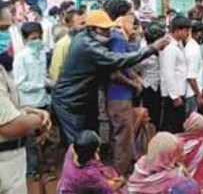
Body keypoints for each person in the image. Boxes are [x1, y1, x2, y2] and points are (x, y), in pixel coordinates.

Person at [51, 10, 169, 145]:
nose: (109, 33)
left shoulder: (86, 37)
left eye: (109, 29)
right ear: (92, 29)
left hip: (83, 99)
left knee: (91, 139)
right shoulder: (87, 45)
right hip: (70, 100)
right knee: (78, 144)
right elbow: (117, 60)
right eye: (104, 30)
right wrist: (152, 48)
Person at [0, 1, 51, 194]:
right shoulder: (20, 58)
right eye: (3, 28)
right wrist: (39, 119)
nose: (5, 35)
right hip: (5, 160)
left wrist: (29, 112)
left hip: (34, 105)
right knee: (32, 148)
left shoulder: (39, 55)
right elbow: (10, 126)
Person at [103, 0, 138, 175]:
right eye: (130, 16)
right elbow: (115, 73)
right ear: (120, 17)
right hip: (119, 96)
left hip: (120, 96)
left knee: (122, 137)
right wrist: (134, 84)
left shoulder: (118, 37)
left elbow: (125, 66)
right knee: (122, 139)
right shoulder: (117, 38)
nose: (133, 21)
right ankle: (119, 177)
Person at [12, 22, 51, 178]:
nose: (37, 41)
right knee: (31, 142)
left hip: (44, 101)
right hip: (29, 104)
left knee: (45, 136)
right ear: (25, 39)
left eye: (39, 37)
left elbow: (42, 75)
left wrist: (48, 82)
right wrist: (41, 84)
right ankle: (32, 171)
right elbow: (20, 84)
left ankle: (44, 168)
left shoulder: (42, 53)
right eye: (33, 38)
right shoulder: (21, 57)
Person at [128, 132, 200, 194]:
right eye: (178, 152)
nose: (183, 155)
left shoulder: (140, 170)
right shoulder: (182, 184)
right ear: (170, 155)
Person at [57, 130, 126, 194]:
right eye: (96, 150)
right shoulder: (89, 174)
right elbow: (108, 189)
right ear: (90, 154)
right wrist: (122, 181)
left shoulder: (72, 148)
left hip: (65, 187)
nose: (98, 152)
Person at [159, 16, 191, 133]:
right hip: (173, 95)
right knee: (172, 126)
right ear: (177, 30)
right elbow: (168, 73)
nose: (188, 33)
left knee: (178, 125)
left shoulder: (178, 45)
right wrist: (174, 96)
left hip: (179, 92)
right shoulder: (170, 48)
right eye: (186, 30)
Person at [136, 22, 165, 130]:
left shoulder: (162, 49)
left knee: (158, 115)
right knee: (149, 115)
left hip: (160, 86)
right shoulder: (143, 51)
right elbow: (135, 69)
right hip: (148, 86)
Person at [178, 112, 203, 193]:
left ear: (193, 125)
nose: (186, 120)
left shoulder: (178, 142)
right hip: (198, 186)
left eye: (189, 119)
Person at [49, 9, 86, 81]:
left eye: (86, 23)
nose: (85, 26)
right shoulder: (63, 44)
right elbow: (55, 70)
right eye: (82, 24)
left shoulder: (87, 41)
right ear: (69, 25)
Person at [185, 21, 203, 116]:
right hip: (191, 93)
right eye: (201, 33)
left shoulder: (194, 46)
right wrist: (198, 95)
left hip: (193, 91)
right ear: (193, 33)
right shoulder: (193, 50)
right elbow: (191, 77)